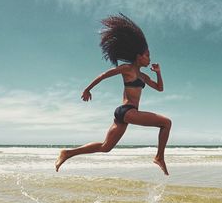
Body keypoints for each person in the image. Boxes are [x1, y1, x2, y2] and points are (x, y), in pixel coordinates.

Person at [55, 13, 171, 175]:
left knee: (105, 147)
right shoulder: (127, 69)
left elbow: (160, 88)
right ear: (138, 57)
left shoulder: (143, 76)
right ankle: (159, 157)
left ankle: (68, 153)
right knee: (166, 123)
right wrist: (88, 89)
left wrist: (158, 72)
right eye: (147, 55)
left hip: (124, 114)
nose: (149, 59)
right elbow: (104, 75)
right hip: (128, 111)